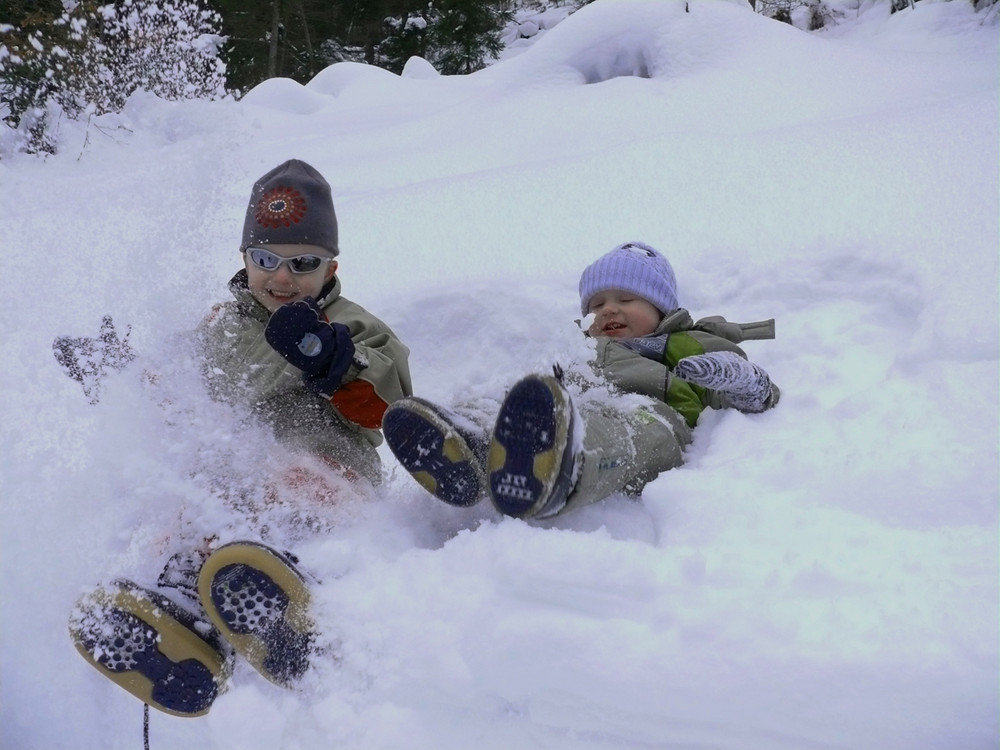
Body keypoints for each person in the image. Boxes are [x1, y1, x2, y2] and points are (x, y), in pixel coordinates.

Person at [67, 159, 412, 718]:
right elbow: (175, 391)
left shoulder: (350, 325)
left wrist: (336, 360)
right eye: (266, 260)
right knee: (193, 509)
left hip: (328, 471)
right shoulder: (217, 327)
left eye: (303, 263)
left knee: (288, 486)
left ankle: (289, 611)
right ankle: (183, 623)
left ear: (331, 267)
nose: (282, 277)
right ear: (244, 259)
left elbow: (386, 405)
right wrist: (120, 374)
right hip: (236, 481)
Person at [382, 240, 778, 521]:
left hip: (652, 416)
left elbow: (761, 393)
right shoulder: (579, 347)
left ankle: (561, 468)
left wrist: (739, 377)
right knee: (509, 395)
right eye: (596, 304)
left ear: (662, 308)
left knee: (622, 433)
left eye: (626, 300)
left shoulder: (683, 341)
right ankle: (468, 438)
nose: (609, 310)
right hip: (569, 407)